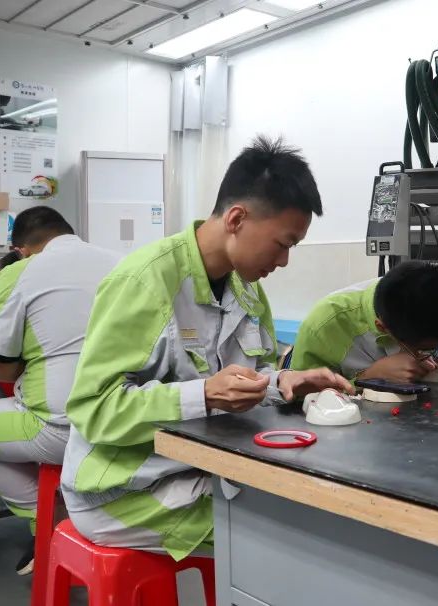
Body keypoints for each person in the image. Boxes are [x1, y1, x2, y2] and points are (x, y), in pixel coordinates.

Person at [62, 136, 352, 558]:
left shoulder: (248, 290)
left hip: (199, 469)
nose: (284, 261)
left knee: (311, 512)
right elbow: (95, 410)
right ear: (236, 218)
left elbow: (241, 381)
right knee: (295, 539)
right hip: (124, 490)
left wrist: (282, 382)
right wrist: (203, 395)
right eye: (283, 244)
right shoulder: (144, 282)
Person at [0, 207, 118, 575]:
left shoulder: (21, 271)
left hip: (62, 426)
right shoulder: (122, 263)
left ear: (20, 250)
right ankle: (71, 504)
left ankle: (49, 516)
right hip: (124, 421)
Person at [289, 260, 438, 382]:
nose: (428, 359)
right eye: (421, 350)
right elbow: (298, 394)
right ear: (382, 327)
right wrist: (369, 377)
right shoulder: (326, 324)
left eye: (436, 349)